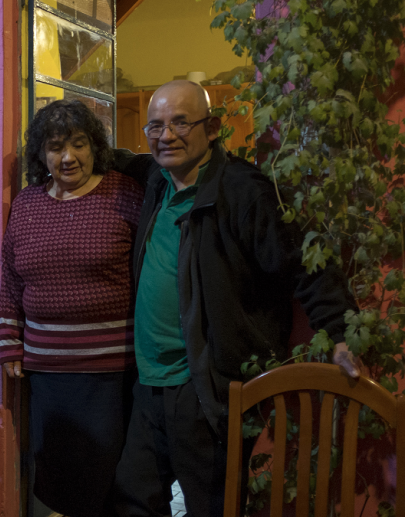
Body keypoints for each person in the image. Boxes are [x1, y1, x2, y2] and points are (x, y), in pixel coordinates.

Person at [111, 80, 360, 517]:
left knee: (210, 506)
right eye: (156, 126)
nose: (166, 136)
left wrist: (339, 333)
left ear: (212, 129)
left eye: (180, 123)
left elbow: (304, 261)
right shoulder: (155, 178)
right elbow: (117, 158)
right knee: (134, 498)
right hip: (149, 382)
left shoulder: (243, 190)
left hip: (204, 386)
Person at [0, 99, 143, 516]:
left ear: (94, 146)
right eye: (56, 146)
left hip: (111, 374)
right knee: (57, 480)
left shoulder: (124, 193)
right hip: (46, 375)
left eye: (78, 143)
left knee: (109, 481)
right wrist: (10, 342)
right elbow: (11, 277)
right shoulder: (27, 203)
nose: (68, 157)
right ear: (41, 154)